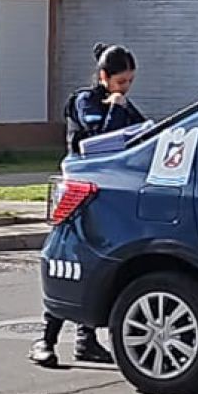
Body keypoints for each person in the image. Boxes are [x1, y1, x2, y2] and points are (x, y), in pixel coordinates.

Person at [30, 43, 145, 369]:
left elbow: (138, 134)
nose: (125, 89)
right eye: (121, 82)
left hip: (106, 194)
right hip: (77, 192)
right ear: (104, 77)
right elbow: (100, 135)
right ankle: (46, 338)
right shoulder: (86, 101)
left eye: (129, 83)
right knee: (68, 260)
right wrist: (117, 107)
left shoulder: (123, 104)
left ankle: (86, 339)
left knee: (96, 262)